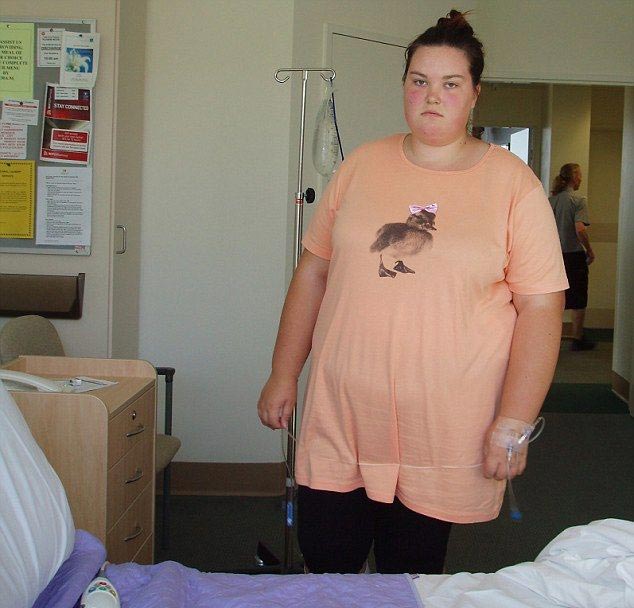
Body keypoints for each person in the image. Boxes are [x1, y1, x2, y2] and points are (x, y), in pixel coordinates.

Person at [258, 10, 568, 575]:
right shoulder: (360, 166)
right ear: (404, 85)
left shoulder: (512, 184)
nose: (432, 97)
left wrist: (514, 419)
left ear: (474, 94)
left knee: (410, 571)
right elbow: (313, 273)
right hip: (344, 409)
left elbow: (542, 308)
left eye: (450, 84)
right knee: (326, 562)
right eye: (419, 81)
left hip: (443, 424)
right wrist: (283, 372)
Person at [549, 163, 596, 350]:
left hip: (553, 257)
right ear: (574, 177)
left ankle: (551, 339)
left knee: (555, 298)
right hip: (574, 256)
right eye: (579, 175)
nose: (581, 178)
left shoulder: (550, 201)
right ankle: (577, 338)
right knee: (578, 297)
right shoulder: (578, 200)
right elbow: (580, 228)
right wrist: (589, 250)